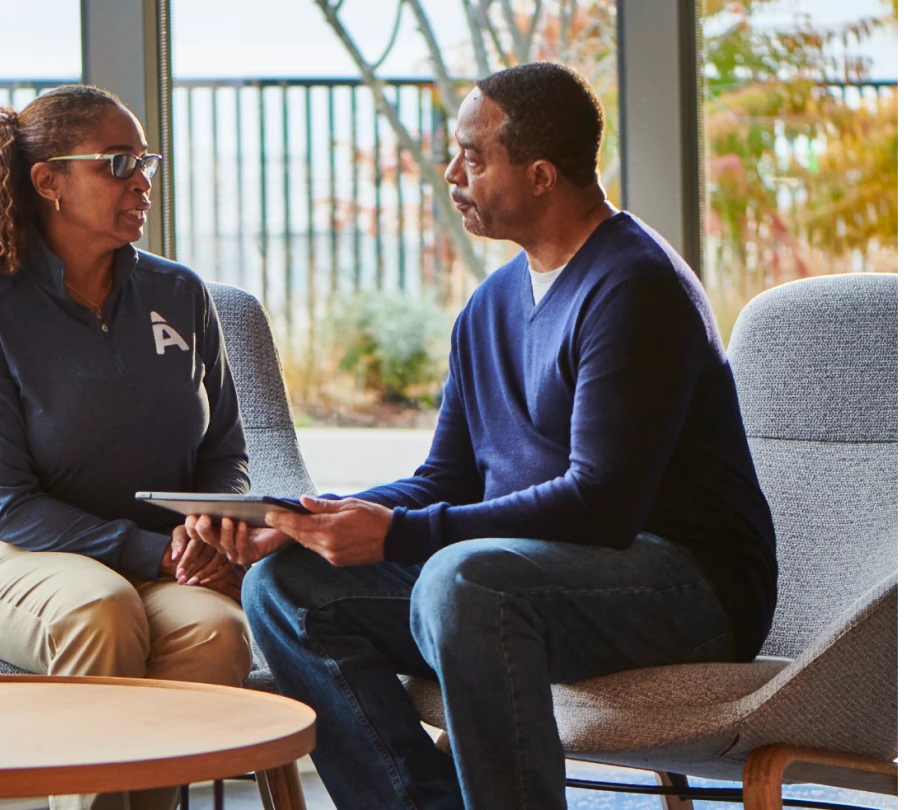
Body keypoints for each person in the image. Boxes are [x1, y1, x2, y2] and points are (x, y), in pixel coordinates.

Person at [189, 63, 778, 810]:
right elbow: (447, 479)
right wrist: (313, 520)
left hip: (687, 588)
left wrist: (397, 535)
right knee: (285, 589)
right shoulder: (489, 306)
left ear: (538, 175)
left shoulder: (635, 287)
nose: (450, 172)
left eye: (472, 156)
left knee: (461, 580)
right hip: (533, 575)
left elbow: (600, 505)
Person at [0, 85, 251, 810]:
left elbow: (224, 450)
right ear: (50, 182)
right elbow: (10, 505)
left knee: (217, 633)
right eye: (118, 162)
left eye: (146, 162)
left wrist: (208, 531)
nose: (141, 180)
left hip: (151, 559)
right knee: (98, 608)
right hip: (0, 550)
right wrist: (157, 554)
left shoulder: (181, 294)